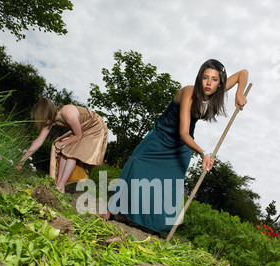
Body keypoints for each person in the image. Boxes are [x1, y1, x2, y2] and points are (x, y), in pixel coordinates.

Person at [106, 59, 249, 233]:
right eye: (205, 77)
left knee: (169, 184)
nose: (209, 83)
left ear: (220, 83)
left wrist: (239, 93)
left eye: (214, 79)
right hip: (162, 135)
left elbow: (243, 73)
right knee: (136, 163)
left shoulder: (215, 91)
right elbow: (183, 133)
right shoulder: (189, 93)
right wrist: (204, 153)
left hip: (181, 147)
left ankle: (152, 226)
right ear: (199, 78)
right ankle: (111, 210)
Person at [17, 99, 108, 193]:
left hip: (95, 126)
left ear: (46, 113)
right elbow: (38, 141)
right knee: (65, 150)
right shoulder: (50, 120)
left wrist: (61, 144)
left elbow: (78, 136)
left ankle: (60, 186)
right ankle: (59, 186)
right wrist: (22, 160)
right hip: (83, 128)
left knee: (72, 151)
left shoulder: (67, 113)